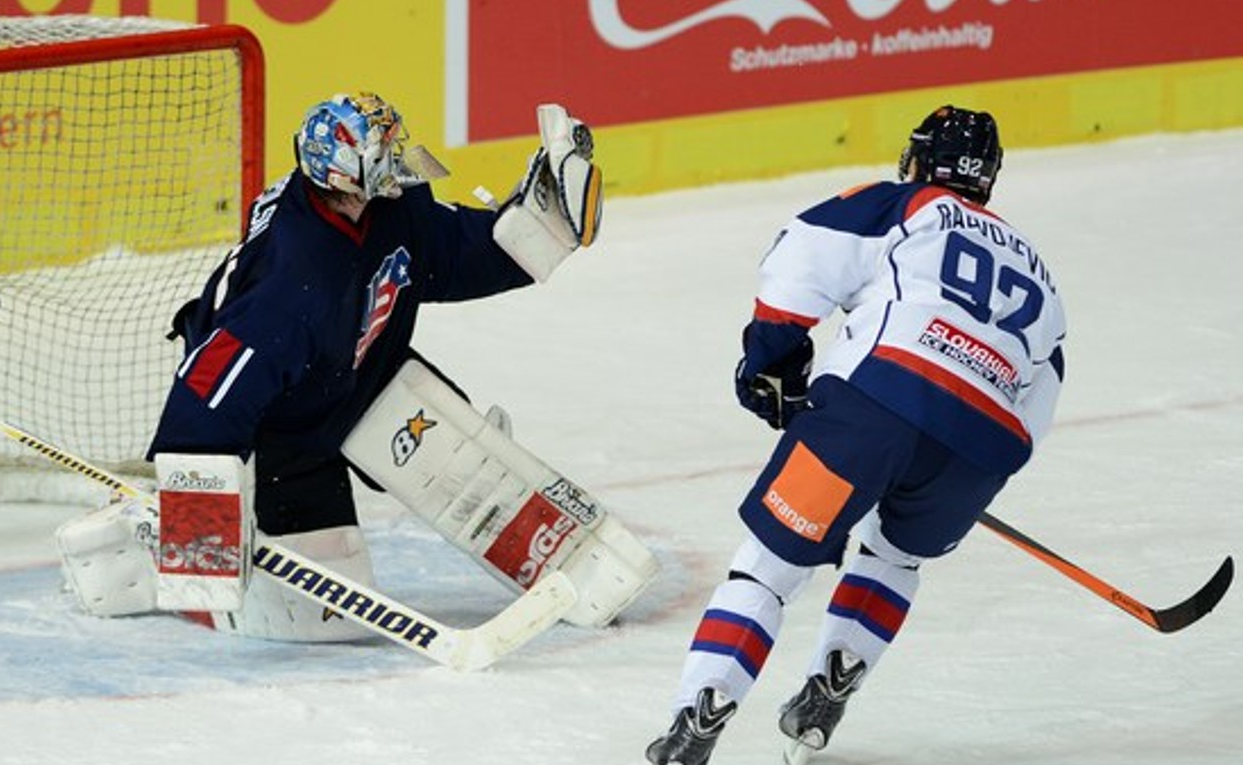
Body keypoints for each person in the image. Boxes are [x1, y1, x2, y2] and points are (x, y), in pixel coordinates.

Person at [54, 91, 604, 641]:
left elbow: (451, 256)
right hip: (286, 425)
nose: (399, 159)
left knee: (467, 463)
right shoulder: (289, 287)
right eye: (385, 152)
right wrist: (197, 518)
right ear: (345, 177)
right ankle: (125, 548)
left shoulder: (390, 208)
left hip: (365, 376)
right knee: (320, 624)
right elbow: (209, 390)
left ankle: (591, 576)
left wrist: (540, 226)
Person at [645, 105, 1066, 765]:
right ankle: (831, 684)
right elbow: (1039, 399)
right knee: (894, 557)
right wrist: (967, 465)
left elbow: (804, 257)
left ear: (922, 159)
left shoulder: (905, 204)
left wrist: (770, 362)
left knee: (768, 568)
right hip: (978, 451)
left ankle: (702, 708)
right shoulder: (1042, 273)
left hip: (872, 408)